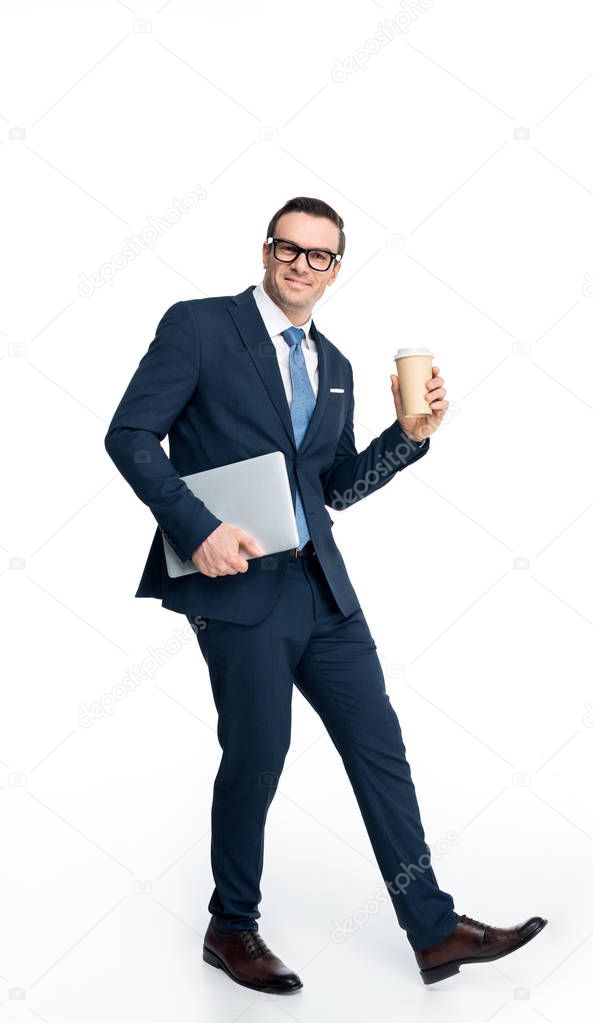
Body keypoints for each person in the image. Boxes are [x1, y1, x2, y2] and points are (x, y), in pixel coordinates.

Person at [104, 195, 547, 993]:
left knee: (380, 750)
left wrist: (405, 442)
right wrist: (197, 525)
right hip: (237, 588)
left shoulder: (334, 365)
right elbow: (130, 434)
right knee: (258, 753)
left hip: (324, 591)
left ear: (336, 269)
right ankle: (230, 925)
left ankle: (433, 927)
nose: (301, 264)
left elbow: (332, 487)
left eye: (320, 255)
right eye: (289, 247)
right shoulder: (201, 326)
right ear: (266, 248)